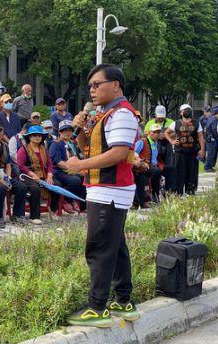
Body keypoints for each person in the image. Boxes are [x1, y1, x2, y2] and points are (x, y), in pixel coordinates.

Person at [66, 64, 140, 327]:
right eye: (90, 87)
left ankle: (97, 307)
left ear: (116, 84)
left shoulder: (121, 114)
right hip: (105, 189)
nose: (92, 91)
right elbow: (88, 147)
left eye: (97, 85)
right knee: (115, 246)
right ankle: (123, 301)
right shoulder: (105, 114)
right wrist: (82, 131)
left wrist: (79, 166)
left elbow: (119, 153)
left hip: (110, 190)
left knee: (98, 248)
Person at [17, 125, 61, 224]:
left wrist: (50, 174)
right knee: (35, 189)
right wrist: (33, 175)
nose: (37, 137)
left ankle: (53, 210)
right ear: (29, 137)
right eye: (34, 135)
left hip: (44, 174)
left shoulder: (43, 148)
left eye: (39, 135)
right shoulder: (23, 149)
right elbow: (21, 166)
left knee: (57, 186)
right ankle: (34, 216)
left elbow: (49, 163)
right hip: (27, 175)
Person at [165, 104, 205, 195]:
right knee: (179, 173)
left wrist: (202, 149)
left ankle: (190, 191)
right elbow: (166, 133)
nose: (186, 111)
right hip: (180, 153)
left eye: (188, 110)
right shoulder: (175, 123)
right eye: (184, 110)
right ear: (181, 112)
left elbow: (200, 137)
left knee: (192, 173)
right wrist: (172, 141)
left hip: (192, 153)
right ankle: (178, 192)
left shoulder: (197, 123)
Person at [49, 120, 86, 213]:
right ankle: (67, 200)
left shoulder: (72, 144)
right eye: (65, 130)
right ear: (60, 132)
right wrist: (75, 170)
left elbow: (78, 158)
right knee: (75, 180)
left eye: (70, 130)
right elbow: (57, 161)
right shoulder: (55, 144)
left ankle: (82, 206)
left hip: (72, 171)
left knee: (85, 178)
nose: (68, 133)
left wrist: (81, 168)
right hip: (58, 172)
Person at [144, 105, 175, 193]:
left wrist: (165, 135)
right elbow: (145, 134)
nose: (160, 119)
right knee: (156, 167)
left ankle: (169, 190)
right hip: (154, 146)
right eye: (159, 117)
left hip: (167, 146)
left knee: (170, 167)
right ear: (155, 115)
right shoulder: (150, 123)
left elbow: (175, 133)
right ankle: (155, 190)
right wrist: (156, 135)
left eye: (162, 117)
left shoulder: (171, 122)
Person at [134, 124, 162, 206]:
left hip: (152, 166)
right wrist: (140, 161)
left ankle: (155, 196)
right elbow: (134, 152)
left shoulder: (156, 144)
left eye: (158, 132)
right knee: (156, 172)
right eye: (155, 132)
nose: (157, 134)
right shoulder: (142, 141)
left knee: (166, 170)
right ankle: (154, 195)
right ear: (150, 133)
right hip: (143, 165)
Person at [203, 105, 218, 172]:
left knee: (212, 153)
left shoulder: (212, 118)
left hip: (210, 138)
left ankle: (210, 166)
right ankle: (207, 167)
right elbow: (214, 129)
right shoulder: (214, 120)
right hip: (211, 139)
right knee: (211, 154)